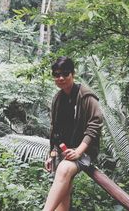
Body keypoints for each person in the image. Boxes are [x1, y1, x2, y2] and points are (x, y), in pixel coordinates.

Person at [43, 56, 103, 211]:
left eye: (65, 73)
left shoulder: (86, 96)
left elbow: (94, 125)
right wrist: (52, 155)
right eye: (56, 75)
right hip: (64, 151)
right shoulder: (58, 98)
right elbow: (55, 130)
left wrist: (78, 151)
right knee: (64, 192)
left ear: (73, 74)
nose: (61, 78)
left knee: (63, 171)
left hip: (84, 151)